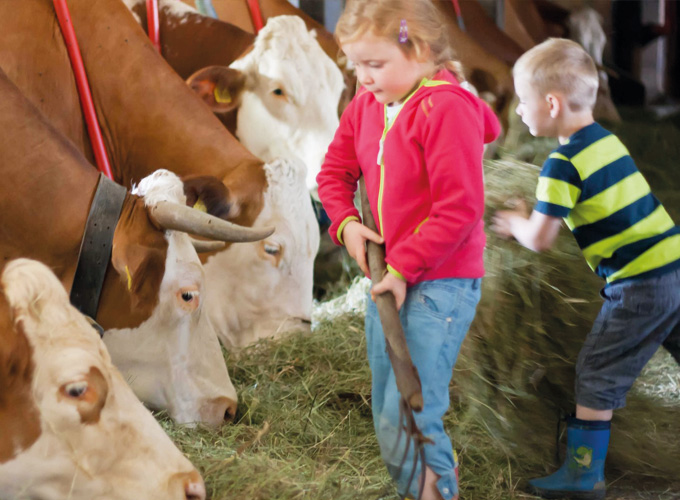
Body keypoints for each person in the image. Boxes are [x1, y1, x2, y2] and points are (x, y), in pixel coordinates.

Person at [316, 1, 500, 498]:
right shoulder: (368, 105)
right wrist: (347, 226)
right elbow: (333, 175)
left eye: (374, 64)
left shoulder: (447, 110)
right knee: (388, 410)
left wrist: (402, 267)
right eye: (356, 65)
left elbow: (459, 209)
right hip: (389, 278)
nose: (363, 77)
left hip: (440, 282)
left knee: (413, 412)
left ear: (418, 52)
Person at [492, 38, 680, 500]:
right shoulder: (605, 141)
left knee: (596, 373)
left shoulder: (562, 163)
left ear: (551, 103)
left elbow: (540, 239)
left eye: (523, 100)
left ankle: (582, 475)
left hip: (638, 283)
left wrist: (516, 221)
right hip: (672, 265)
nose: (518, 111)